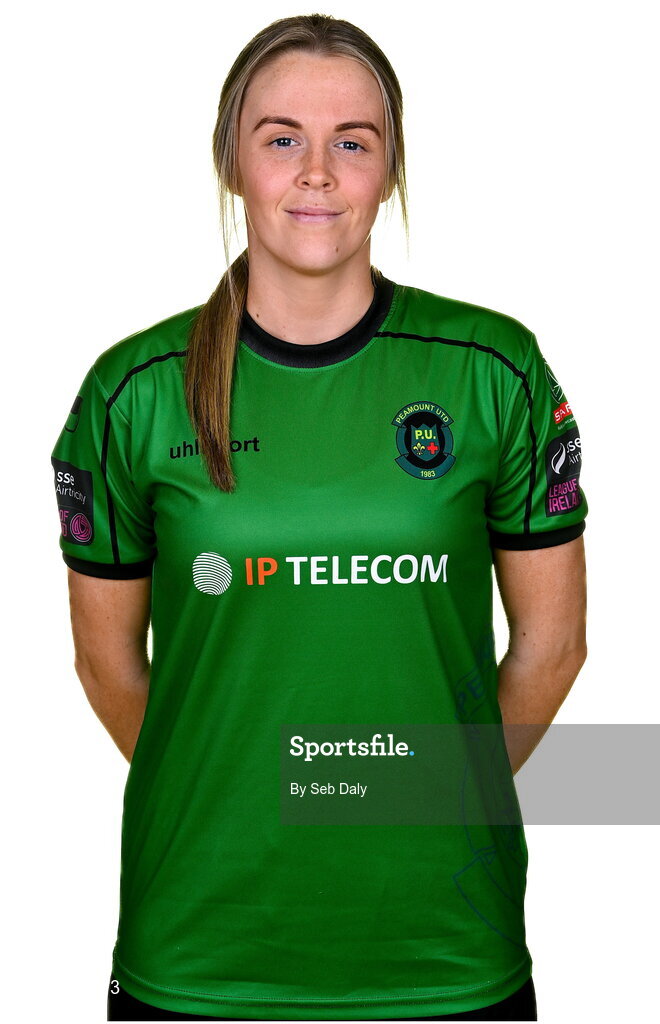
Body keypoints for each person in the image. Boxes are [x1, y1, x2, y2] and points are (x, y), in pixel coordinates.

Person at [50, 13, 587, 1023]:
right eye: (281, 136)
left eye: (354, 141)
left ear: (389, 171)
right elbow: (111, 670)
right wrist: (247, 781)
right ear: (231, 162)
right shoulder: (134, 392)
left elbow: (552, 647)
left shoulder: (494, 370)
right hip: (204, 952)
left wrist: (412, 788)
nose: (317, 171)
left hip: (443, 954)